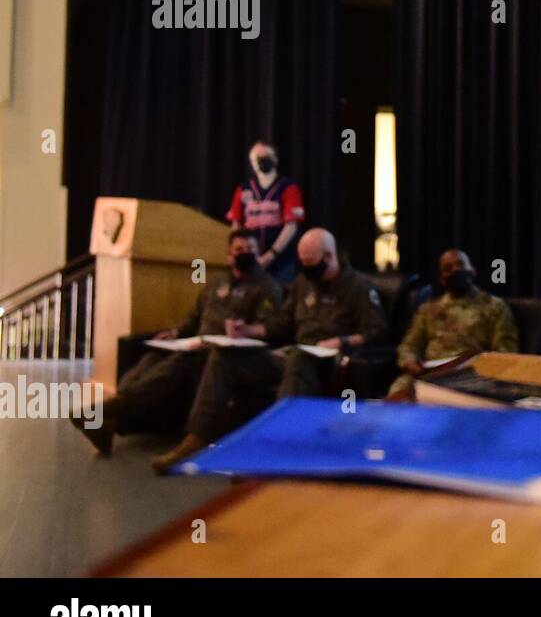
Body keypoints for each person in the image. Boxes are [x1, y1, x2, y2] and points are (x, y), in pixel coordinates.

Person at [150, 227, 387, 474]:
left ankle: (280, 449)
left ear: (328, 256)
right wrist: (248, 331)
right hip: (293, 355)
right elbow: (281, 324)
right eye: (303, 262)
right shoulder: (303, 283)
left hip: (326, 362)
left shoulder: (358, 287)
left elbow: (376, 330)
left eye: (311, 263)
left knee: (297, 358)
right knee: (224, 357)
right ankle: (196, 440)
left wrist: (341, 341)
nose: (306, 268)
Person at [68, 230, 281, 457]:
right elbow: (194, 317)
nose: (245, 254)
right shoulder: (217, 282)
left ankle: (104, 411)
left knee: (175, 366)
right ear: (229, 255)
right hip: (195, 343)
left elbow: (268, 329)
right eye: (239, 250)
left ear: (258, 254)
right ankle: (108, 420)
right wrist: (176, 332)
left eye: (251, 250)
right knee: (152, 357)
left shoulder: (267, 287)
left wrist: (244, 330)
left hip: (225, 354)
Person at [387, 249, 519, 397]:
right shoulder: (428, 309)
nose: (456, 270)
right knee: (396, 397)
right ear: (442, 279)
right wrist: (410, 361)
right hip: (429, 374)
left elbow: (505, 353)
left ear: (472, 270)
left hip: (470, 376)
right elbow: (409, 345)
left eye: (460, 265)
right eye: (448, 269)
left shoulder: (494, 306)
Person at [226, 140, 306, 284]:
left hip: (282, 261)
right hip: (250, 260)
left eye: (266, 156)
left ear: (275, 158)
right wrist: (239, 252)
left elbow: (291, 225)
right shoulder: (243, 189)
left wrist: (271, 255)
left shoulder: (288, 187)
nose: (261, 161)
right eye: (257, 158)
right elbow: (236, 225)